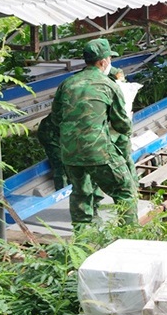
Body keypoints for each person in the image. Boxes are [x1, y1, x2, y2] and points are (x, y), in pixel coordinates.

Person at [50, 38, 139, 228]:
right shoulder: (108, 85)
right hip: (98, 149)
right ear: (103, 62)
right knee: (124, 189)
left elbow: (56, 118)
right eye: (109, 59)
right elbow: (122, 124)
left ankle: (83, 238)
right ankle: (130, 235)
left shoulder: (67, 84)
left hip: (69, 151)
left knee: (80, 192)